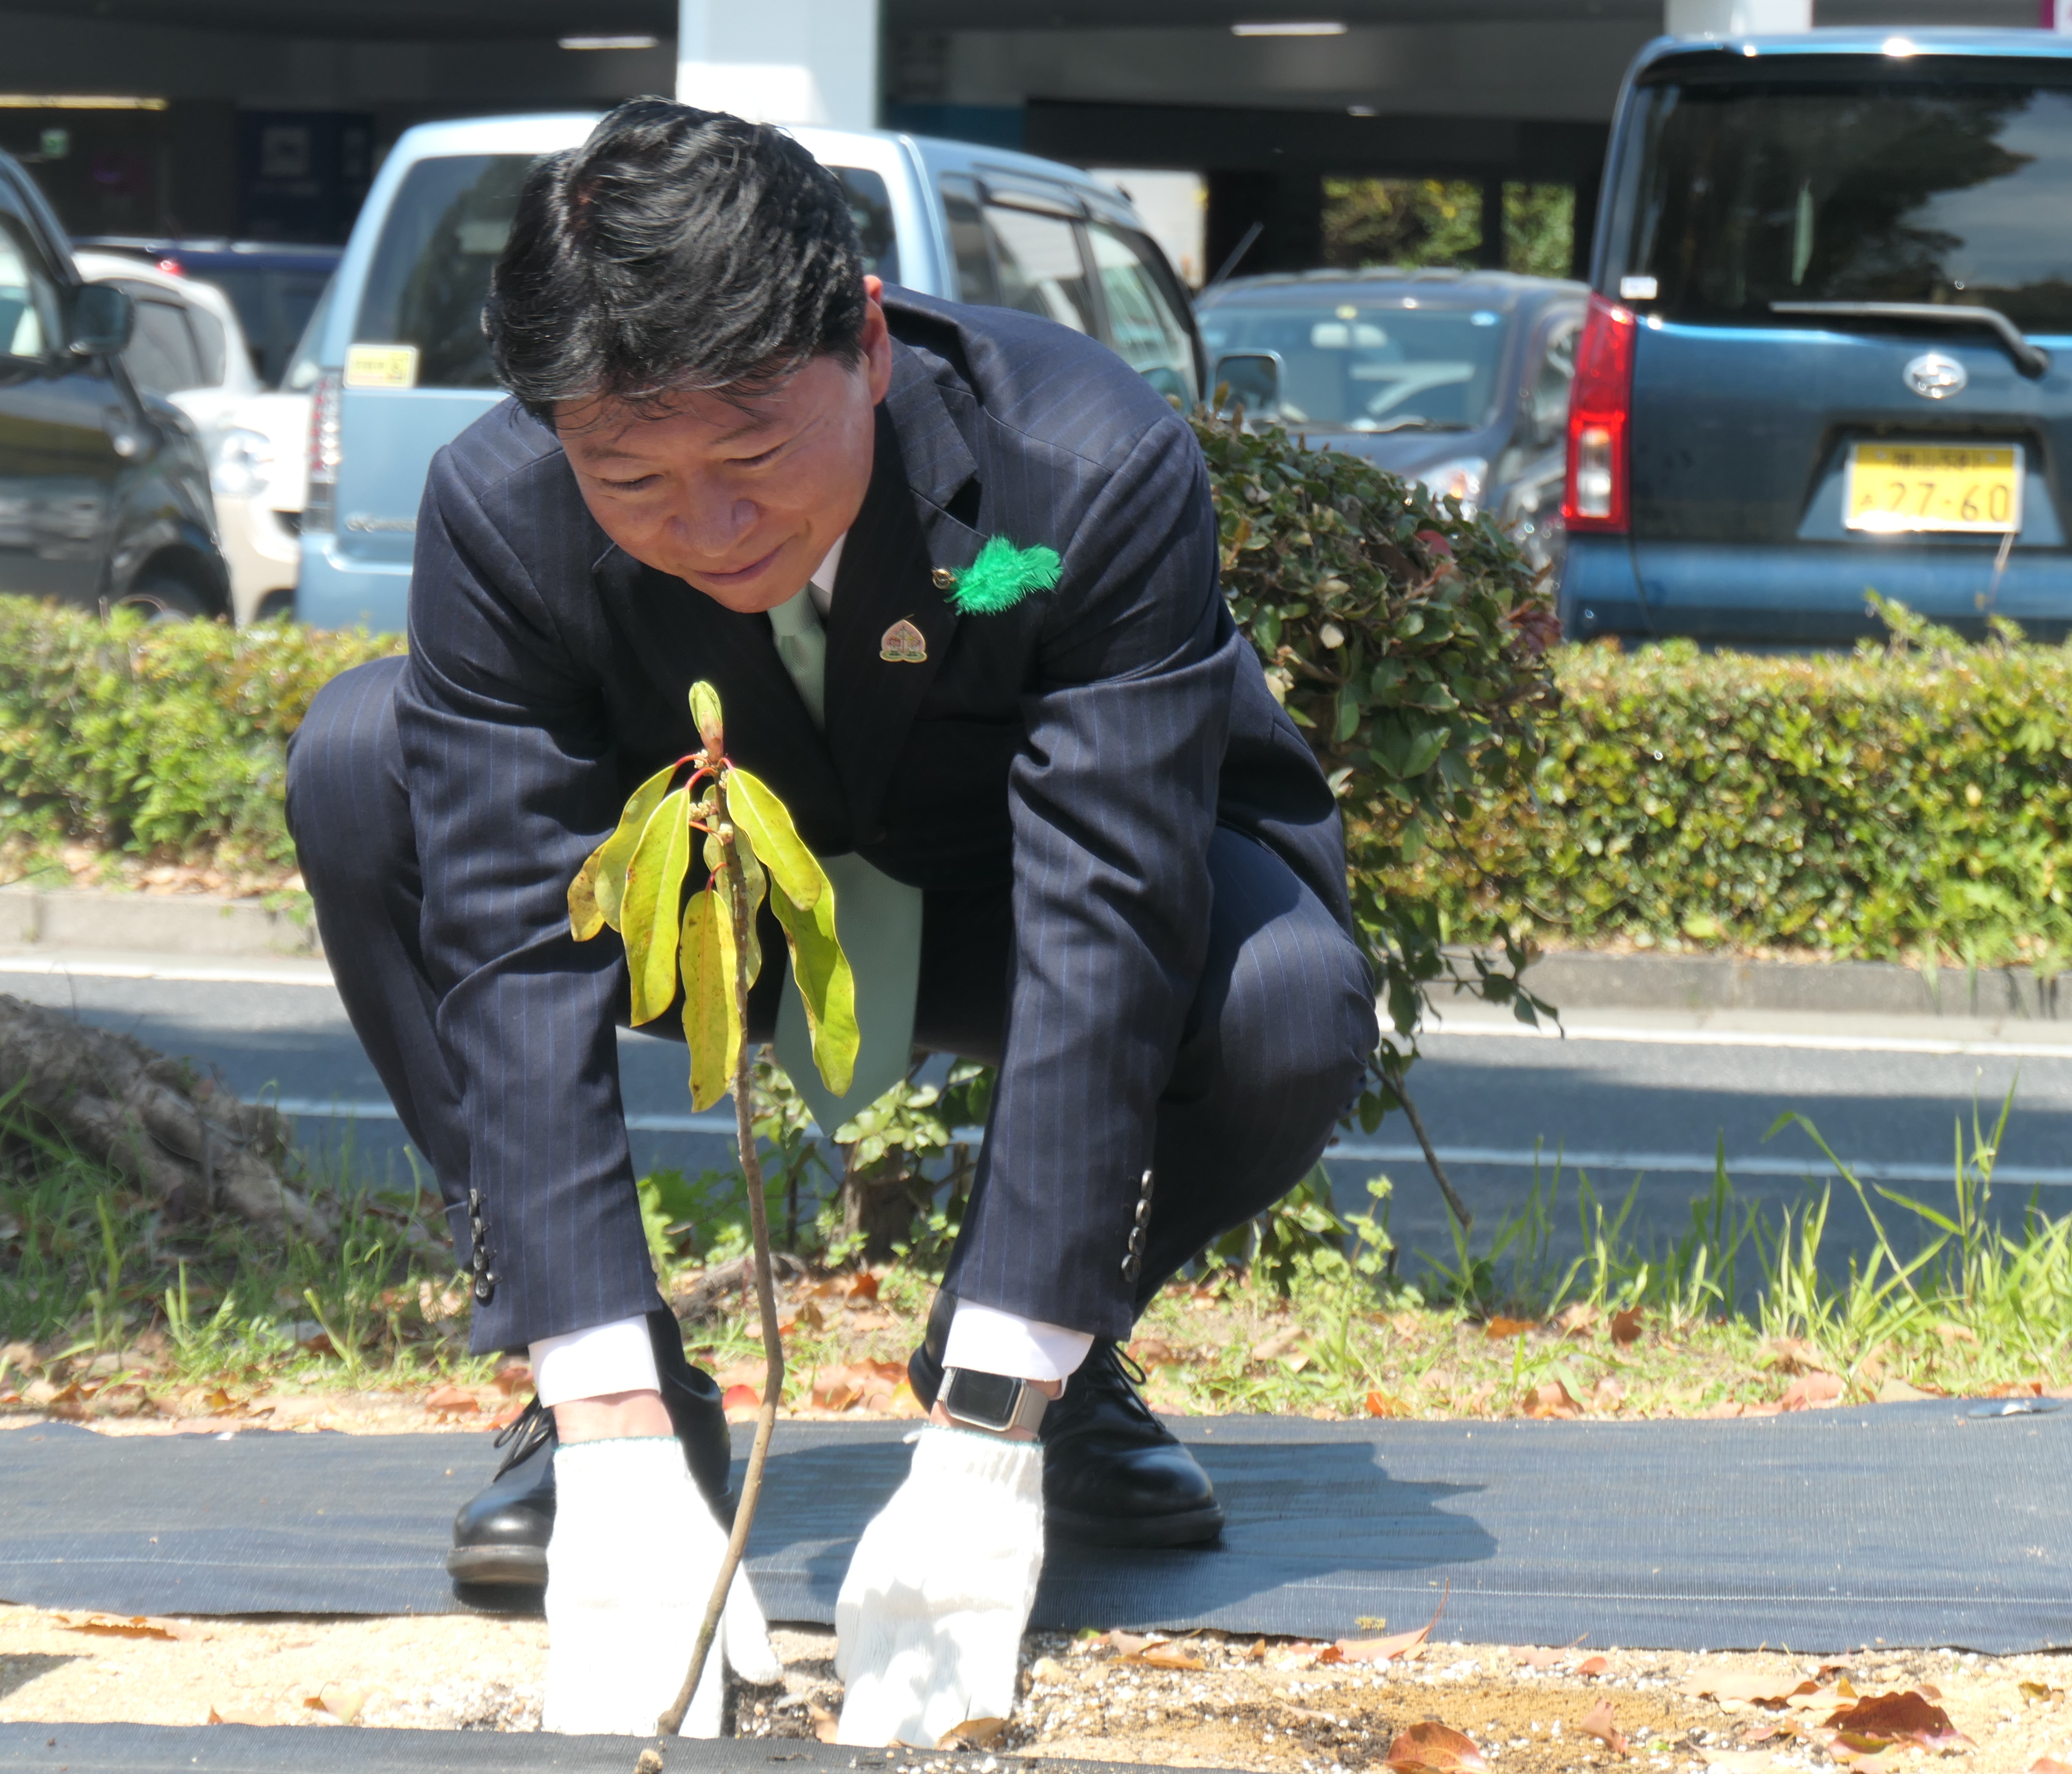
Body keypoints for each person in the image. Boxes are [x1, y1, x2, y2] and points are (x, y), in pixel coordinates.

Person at [287, 98, 1376, 1746]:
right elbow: (513, 947)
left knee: (1283, 994)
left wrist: (991, 1433)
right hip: (719, 896)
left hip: (1011, 900)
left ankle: (1050, 1367)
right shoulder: (500, 508)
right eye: (629, 476)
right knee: (363, 761)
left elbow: (1110, 920)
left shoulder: (1080, 466)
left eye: (750, 457)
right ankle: (619, 1397)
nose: (703, 529)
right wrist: (610, 1430)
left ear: (866, 342)